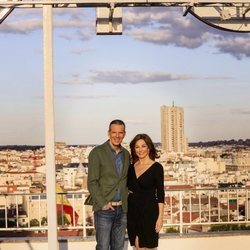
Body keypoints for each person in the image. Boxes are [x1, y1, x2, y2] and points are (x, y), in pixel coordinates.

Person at [87, 119, 130, 250]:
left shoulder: (126, 154)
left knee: (118, 247)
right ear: (108, 133)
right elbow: (92, 182)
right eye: (114, 132)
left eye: (120, 133)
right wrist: (103, 203)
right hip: (104, 209)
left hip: (122, 209)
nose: (117, 136)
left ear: (124, 134)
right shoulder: (97, 152)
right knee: (103, 247)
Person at [127, 134, 165, 250]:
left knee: (148, 247)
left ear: (149, 148)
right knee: (137, 247)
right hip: (133, 213)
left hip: (149, 214)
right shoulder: (130, 167)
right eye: (137, 147)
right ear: (134, 149)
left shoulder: (157, 167)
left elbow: (160, 194)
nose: (140, 150)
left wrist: (160, 218)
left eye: (143, 146)